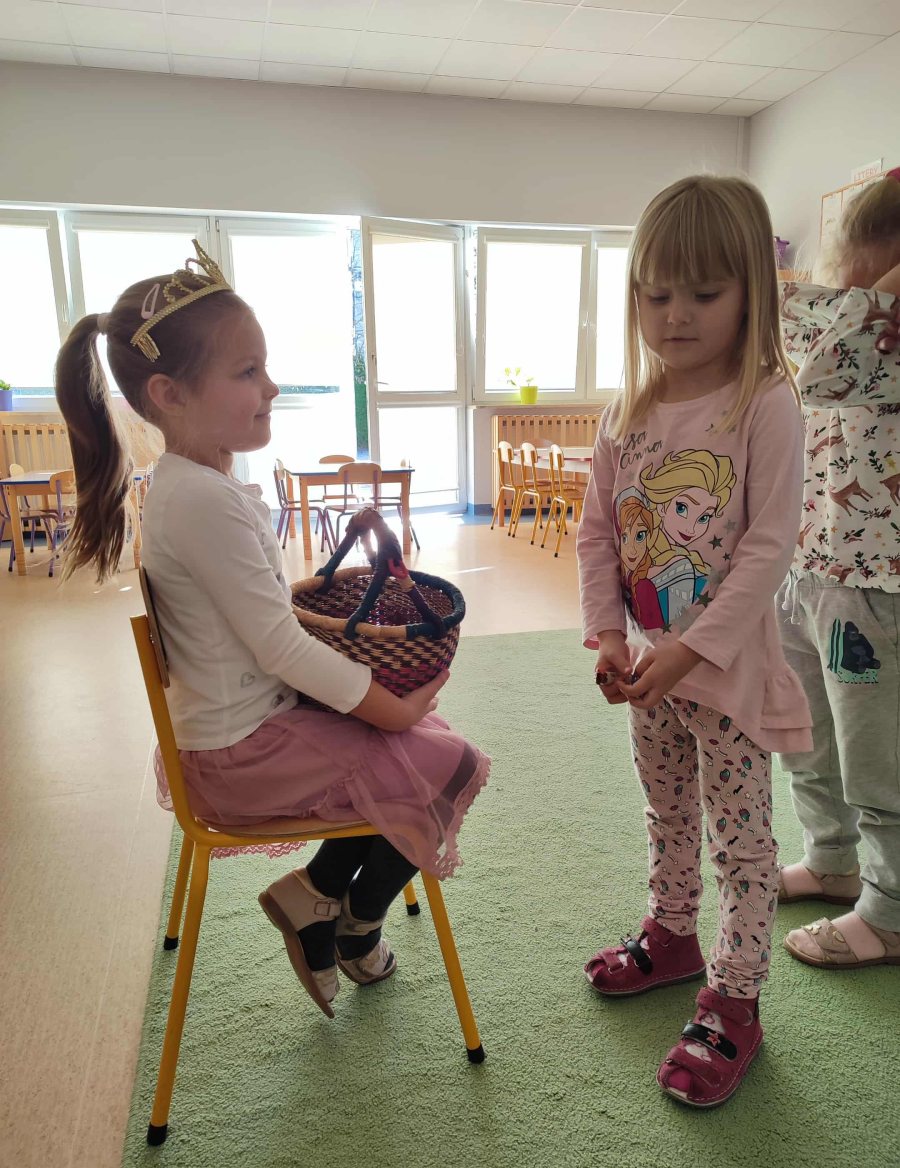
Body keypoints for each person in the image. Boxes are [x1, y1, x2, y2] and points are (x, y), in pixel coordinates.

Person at [54, 243, 490, 1019]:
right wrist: (391, 709)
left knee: (415, 748)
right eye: (247, 372)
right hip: (240, 753)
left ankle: (316, 895)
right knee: (441, 760)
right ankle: (353, 922)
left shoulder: (198, 484)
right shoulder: (202, 500)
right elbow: (280, 645)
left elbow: (258, 617)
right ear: (169, 394)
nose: (272, 388)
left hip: (245, 728)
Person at [576, 175, 811, 1108]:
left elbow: (768, 547)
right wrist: (609, 634)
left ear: (750, 291)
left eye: (703, 294)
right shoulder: (627, 410)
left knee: (741, 844)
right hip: (649, 674)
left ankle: (735, 998)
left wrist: (689, 649)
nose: (674, 315)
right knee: (666, 811)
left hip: (729, 676)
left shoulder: (765, 403)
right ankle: (672, 934)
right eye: (655, 293)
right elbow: (598, 534)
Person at [777, 168, 900, 972]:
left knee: (874, 758)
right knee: (805, 736)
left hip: (873, 586)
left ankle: (889, 913)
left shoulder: (873, 335)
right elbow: (801, 343)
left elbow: (826, 368)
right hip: (809, 566)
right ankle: (830, 860)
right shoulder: (837, 317)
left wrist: (882, 296)